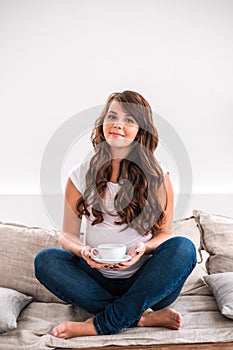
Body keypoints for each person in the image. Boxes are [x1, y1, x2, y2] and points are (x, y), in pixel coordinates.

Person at [34, 90, 196, 339]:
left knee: (183, 248)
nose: (118, 124)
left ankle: (99, 324)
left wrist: (144, 248)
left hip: (146, 282)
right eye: (112, 116)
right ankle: (140, 317)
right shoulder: (79, 175)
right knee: (45, 260)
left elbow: (165, 234)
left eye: (129, 120)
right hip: (96, 279)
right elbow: (67, 235)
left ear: (141, 130)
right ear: (103, 123)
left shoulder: (157, 176)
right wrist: (83, 252)